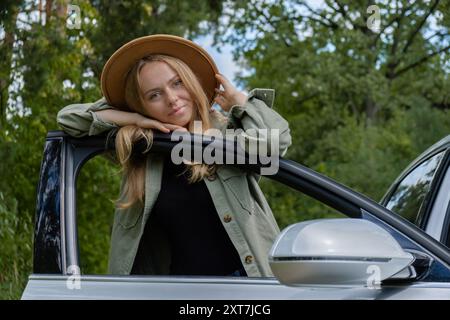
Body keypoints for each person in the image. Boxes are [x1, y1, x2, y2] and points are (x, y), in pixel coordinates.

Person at [57, 34, 292, 277]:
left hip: (250, 290)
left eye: (177, 83)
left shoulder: (224, 135)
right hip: (177, 293)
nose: (171, 99)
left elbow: (276, 142)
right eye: (154, 95)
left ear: (191, 83)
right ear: (143, 105)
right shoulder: (143, 151)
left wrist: (240, 101)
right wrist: (135, 119)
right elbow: (69, 119)